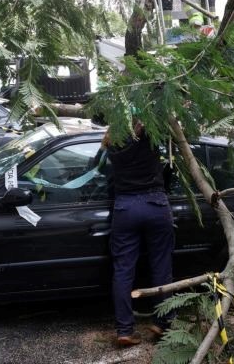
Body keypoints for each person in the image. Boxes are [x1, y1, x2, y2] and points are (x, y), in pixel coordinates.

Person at [103, 119, 174, 347]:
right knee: (161, 267)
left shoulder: (112, 143)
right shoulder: (150, 136)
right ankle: (162, 323)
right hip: (155, 204)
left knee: (123, 271)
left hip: (125, 208)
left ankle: (124, 330)